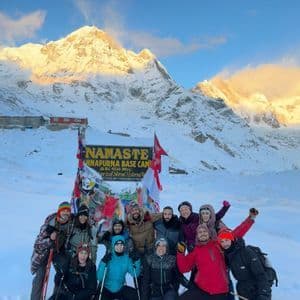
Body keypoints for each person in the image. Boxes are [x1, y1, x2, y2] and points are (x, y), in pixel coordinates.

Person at [30, 201, 73, 300]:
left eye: (68, 211)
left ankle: (57, 297)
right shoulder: (50, 223)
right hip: (44, 253)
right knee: (40, 276)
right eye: (63, 211)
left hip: (57, 251)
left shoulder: (70, 224)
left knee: (63, 272)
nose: (66, 213)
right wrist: (50, 239)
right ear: (59, 211)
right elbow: (38, 244)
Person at [177, 223, 229, 300]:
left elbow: (235, 235)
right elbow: (184, 268)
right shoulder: (196, 251)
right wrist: (180, 253)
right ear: (197, 236)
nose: (202, 234)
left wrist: (250, 219)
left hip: (220, 291)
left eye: (204, 231)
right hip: (202, 290)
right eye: (200, 232)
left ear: (209, 233)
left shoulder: (217, 244)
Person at [218, 229, 272, 300]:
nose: (225, 244)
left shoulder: (246, 252)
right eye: (222, 241)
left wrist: (263, 295)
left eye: (227, 240)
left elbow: (261, 275)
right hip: (243, 291)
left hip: (257, 291)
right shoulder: (227, 255)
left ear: (232, 240)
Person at [97, 235, 141, 300]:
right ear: (113, 245)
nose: (119, 247)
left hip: (120, 288)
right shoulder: (108, 258)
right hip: (106, 289)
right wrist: (103, 262)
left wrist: (137, 261)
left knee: (134, 295)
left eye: (121, 244)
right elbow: (99, 277)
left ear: (124, 246)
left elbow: (135, 274)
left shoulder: (126, 258)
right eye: (117, 244)